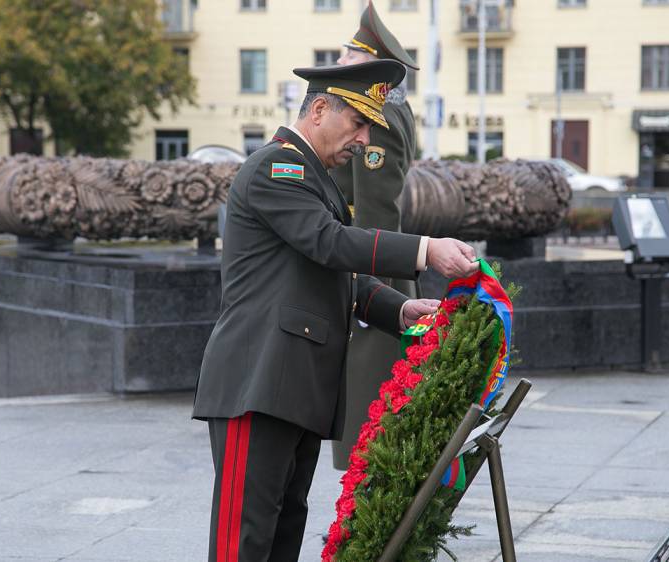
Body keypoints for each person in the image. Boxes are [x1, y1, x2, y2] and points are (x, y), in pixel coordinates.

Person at [192, 60, 478, 562]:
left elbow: (337, 272)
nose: (365, 140)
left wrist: (402, 307)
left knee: (282, 535)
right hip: (257, 381)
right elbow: (329, 244)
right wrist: (425, 249)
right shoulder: (276, 167)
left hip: (294, 384)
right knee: (245, 541)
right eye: (359, 123)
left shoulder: (315, 177)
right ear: (319, 109)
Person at [330, 0, 422, 471]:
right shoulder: (382, 111)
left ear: (368, 66)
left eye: (348, 57)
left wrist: (370, 292)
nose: (339, 63)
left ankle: (366, 525)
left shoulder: (379, 118)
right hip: (374, 267)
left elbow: (376, 211)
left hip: (373, 273)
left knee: (370, 406)